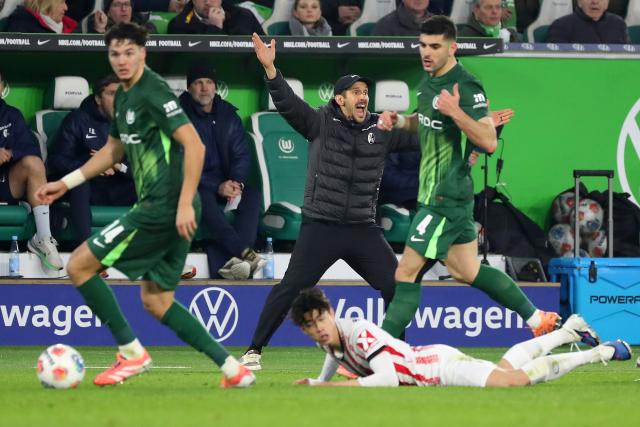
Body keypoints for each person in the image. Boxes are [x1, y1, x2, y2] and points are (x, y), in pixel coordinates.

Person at [34, 22, 254, 388]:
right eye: (115, 53)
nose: (121, 60)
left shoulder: (154, 92)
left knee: (79, 265)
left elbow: (195, 147)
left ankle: (132, 354)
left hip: (165, 208)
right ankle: (233, 370)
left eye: (129, 52)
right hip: (164, 208)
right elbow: (112, 152)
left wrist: (185, 203)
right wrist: (65, 182)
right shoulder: (124, 97)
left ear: (143, 53)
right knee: (157, 301)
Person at [240, 32, 419, 371]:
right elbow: (288, 104)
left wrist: (475, 126)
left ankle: (396, 356)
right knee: (291, 287)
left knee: (398, 287)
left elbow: (428, 136)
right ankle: (253, 350)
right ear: (340, 100)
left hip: (362, 229)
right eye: (356, 93)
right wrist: (270, 69)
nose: (363, 97)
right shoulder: (320, 121)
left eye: (365, 92)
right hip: (321, 225)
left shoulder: (382, 129)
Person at [376, 16, 560, 340]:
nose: (426, 52)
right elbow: (429, 122)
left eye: (435, 46)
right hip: (446, 196)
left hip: (442, 199)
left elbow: (488, 141)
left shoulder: (467, 85)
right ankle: (536, 318)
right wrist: (402, 121)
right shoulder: (429, 80)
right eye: (423, 45)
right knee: (467, 270)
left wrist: (457, 112)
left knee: (405, 272)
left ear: (453, 47)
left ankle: (374, 355)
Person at [290, 288, 632, 387]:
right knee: (503, 369)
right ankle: (570, 329)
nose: (319, 327)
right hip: (431, 362)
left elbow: (389, 379)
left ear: (331, 313)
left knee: (510, 382)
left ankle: (599, 353)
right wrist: (320, 378)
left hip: (437, 367)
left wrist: (327, 388)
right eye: (311, 325)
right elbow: (332, 354)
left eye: (321, 318)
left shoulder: (360, 331)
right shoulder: (329, 341)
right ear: (305, 330)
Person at [179, 61, 264, 280]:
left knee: (253, 196)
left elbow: (241, 155)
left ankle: (236, 265)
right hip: (195, 184)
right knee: (199, 196)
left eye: (209, 82)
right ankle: (245, 254)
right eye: (198, 83)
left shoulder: (228, 114)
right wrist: (215, 186)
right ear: (189, 88)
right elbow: (179, 164)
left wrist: (237, 182)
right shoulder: (178, 117)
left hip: (227, 183)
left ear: (215, 87)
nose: (205, 88)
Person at [47, 74, 137, 248]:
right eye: (111, 94)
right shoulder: (77, 120)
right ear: (98, 98)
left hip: (117, 187)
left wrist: (119, 166)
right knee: (81, 181)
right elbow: (55, 162)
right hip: (87, 190)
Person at [0, 71, 64, 271]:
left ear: (3, 87)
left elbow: (30, 149)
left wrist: (10, 152)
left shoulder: (11, 115)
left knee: (33, 163)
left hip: (5, 181)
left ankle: (43, 238)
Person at [546, 0, 629, 44]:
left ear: (607, 2)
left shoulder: (618, 24)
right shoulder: (561, 26)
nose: (595, 2)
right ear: (579, 2)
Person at [168, 0, 265, 35]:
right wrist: (214, 28)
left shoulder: (243, 16)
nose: (208, 2)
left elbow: (267, 49)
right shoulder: (178, 25)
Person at [82, 0, 157, 34]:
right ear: (108, 12)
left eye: (127, 4)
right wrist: (99, 30)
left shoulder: (144, 24)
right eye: (117, 5)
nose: (124, 9)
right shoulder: (94, 24)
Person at [6, 0, 78, 33]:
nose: (66, 8)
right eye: (62, 2)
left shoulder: (73, 28)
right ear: (48, 3)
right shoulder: (20, 25)